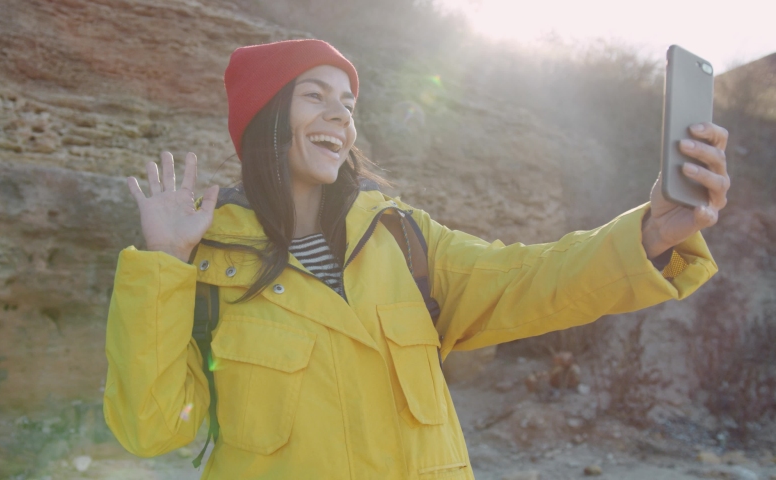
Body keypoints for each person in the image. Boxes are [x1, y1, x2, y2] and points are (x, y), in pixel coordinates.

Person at [103, 39, 729, 479]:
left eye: (347, 103)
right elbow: (151, 427)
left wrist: (651, 235)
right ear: (264, 115)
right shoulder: (203, 264)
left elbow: (533, 279)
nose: (339, 115)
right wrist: (163, 261)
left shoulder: (403, 239)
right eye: (314, 96)